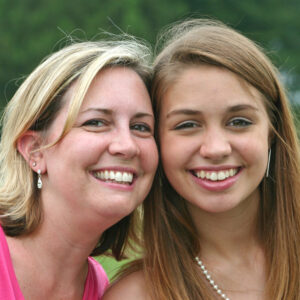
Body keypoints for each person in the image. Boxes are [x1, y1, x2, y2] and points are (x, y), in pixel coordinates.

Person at [103, 19, 300, 300]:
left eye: (239, 121)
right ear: (157, 141)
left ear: (272, 132)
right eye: (187, 125)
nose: (216, 148)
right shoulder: (134, 295)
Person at [0, 37, 158, 300]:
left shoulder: (102, 289)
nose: (127, 146)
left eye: (140, 127)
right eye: (96, 122)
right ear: (35, 151)